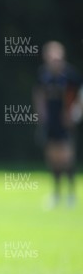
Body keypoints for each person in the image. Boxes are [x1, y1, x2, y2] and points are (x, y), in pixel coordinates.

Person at [33, 41, 82, 207]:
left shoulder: (70, 75)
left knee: (67, 157)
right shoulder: (44, 75)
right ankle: (56, 194)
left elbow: (79, 96)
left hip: (65, 121)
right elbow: (38, 94)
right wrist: (41, 114)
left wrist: (74, 114)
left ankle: (71, 195)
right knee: (53, 158)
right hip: (51, 122)